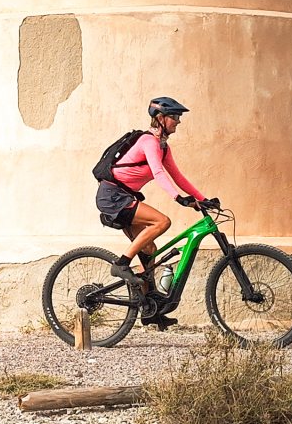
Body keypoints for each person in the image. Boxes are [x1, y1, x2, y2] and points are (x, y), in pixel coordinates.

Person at [94, 96, 219, 329]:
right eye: (174, 117)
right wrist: (178, 198)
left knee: (149, 250)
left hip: (123, 197)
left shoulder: (163, 147)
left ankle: (150, 309)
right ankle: (121, 264)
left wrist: (203, 200)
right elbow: (159, 173)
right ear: (160, 119)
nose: (178, 122)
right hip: (112, 196)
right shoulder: (148, 141)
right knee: (162, 221)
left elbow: (178, 176)